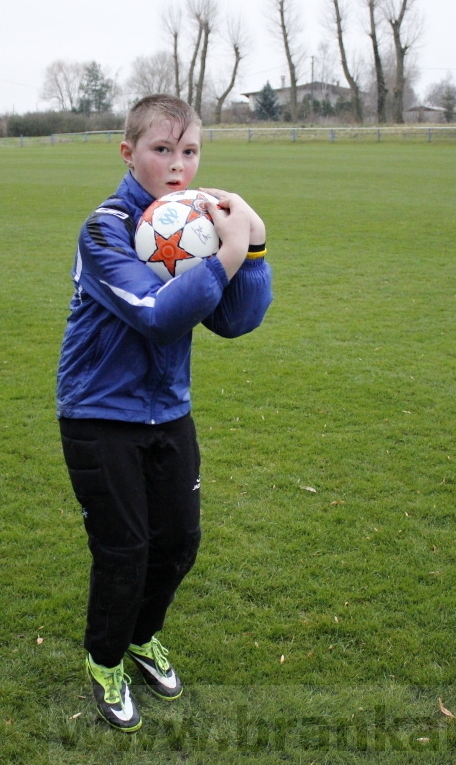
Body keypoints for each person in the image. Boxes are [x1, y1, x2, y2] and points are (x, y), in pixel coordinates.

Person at [56, 94, 272, 732]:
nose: (178, 166)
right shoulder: (105, 229)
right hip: (99, 413)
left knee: (178, 543)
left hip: (166, 410)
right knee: (125, 548)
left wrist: (252, 248)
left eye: (189, 151)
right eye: (161, 150)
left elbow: (232, 321)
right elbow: (157, 317)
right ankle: (104, 661)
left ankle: (143, 637)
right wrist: (226, 256)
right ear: (129, 153)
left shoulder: (191, 218)